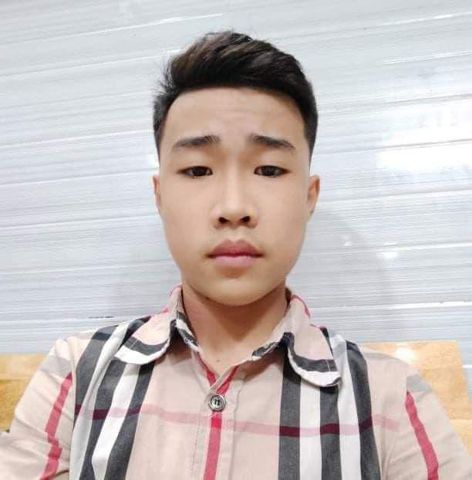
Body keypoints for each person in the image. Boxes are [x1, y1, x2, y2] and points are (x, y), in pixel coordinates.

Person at [0, 29, 470, 479]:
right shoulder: (77, 372)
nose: (233, 207)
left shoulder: (389, 399)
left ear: (309, 197)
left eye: (268, 170)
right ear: (159, 196)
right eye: (197, 170)